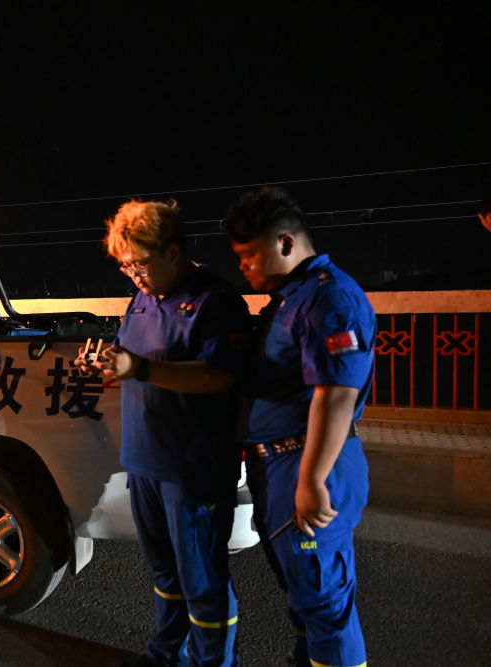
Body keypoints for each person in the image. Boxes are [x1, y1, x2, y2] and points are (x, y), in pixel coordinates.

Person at [77, 199, 250, 667]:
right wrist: (108, 367)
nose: (133, 275)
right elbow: (134, 361)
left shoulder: (216, 301)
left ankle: (214, 662)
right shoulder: (141, 300)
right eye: (125, 266)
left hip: (193, 466)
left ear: (173, 252)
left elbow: (219, 376)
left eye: (140, 263)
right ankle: (167, 653)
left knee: (202, 579)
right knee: (165, 573)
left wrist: (141, 369)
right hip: (145, 461)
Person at [224, 187, 375, 667]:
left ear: (285, 242)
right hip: (282, 464)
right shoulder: (291, 299)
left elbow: (338, 392)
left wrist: (311, 479)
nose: (243, 267)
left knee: (325, 603)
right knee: (306, 597)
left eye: (249, 255)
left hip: (307, 461)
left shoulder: (328, 297)